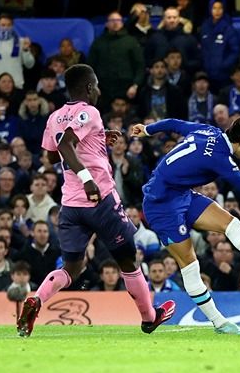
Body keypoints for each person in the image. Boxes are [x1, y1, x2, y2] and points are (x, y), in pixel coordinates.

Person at [17, 64, 176, 338]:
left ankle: (36, 300)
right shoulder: (89, 111)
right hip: (100, 199)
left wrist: (98, 141)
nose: (99, 90)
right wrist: (87, 177)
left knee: (72, 268)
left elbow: (53, 156)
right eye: (97, 85)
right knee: (128, 260)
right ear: (90, 87)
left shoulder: (55, 116)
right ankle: (150, 317)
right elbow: (67, 145)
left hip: (71, 205)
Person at [129, 116, 240, 335]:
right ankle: (219, 322)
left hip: (181, 195)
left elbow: (174, 124)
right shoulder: (220, 157)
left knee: (231, 223)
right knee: (190, 264)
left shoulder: (208, 130)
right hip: (161, 206)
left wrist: (148, 129)